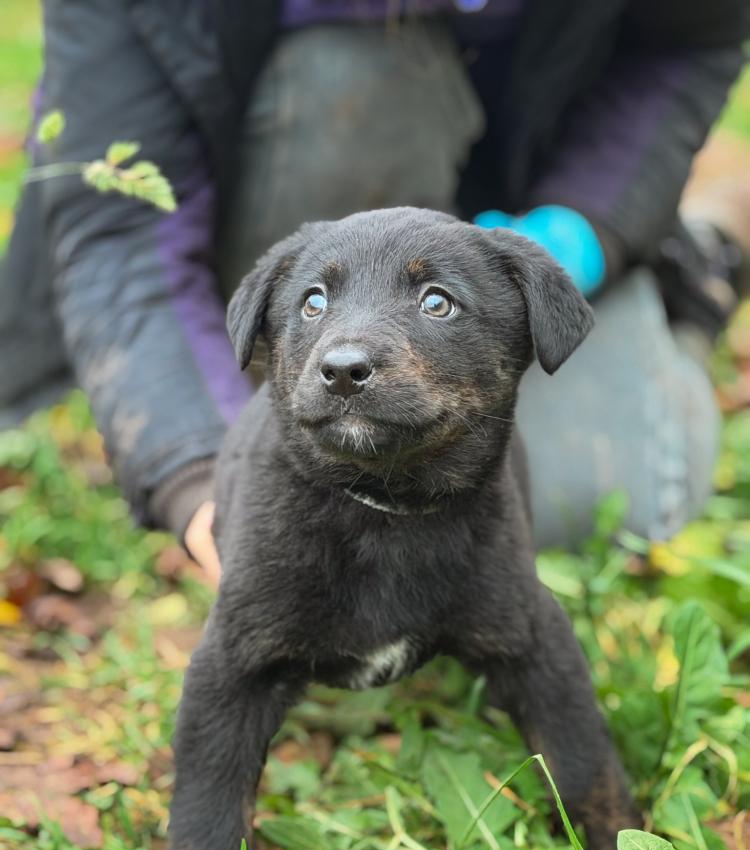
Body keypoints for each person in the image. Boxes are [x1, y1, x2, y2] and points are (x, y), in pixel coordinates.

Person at [1, 0, 749, 586]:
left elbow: (684, 40)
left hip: (518, 221)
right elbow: (123, 234)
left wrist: (579, 231)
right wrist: (203, 476)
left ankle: (696, 264)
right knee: (355, 79)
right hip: (285, 206)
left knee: (618, 493)